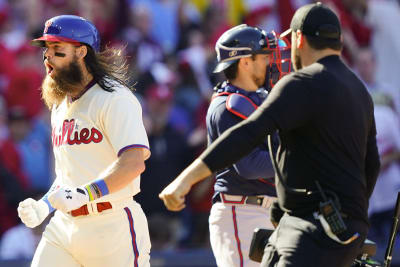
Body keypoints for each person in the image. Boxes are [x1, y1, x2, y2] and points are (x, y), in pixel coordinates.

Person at [159, 3, 381, 267]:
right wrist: (353, 212)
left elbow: (250, 136)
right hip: (252, 211)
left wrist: (188, 179)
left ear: (300, 39)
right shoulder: (359, 90)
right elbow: (371, 164)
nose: (274, 59)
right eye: (264, 55)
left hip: (298, 222)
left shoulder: (298, 86)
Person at [17, 15, 151, 267]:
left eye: (58, 50)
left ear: (81, 52)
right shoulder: (59, 103)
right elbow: (70, 175)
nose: (47, 57)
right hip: (64, 227)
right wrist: (45, 206)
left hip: (112, 225)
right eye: (46, 50)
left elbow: (133, 163)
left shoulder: (115, 98)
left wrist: (87, 193)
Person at [160, 24, 290, 266]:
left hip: (268, 211)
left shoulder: (260, 99)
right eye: (263, 57)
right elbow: (248, 165)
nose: (270, 62)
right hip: (242, 213)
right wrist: (296, 161)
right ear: (245, 63)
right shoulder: (227, 106)